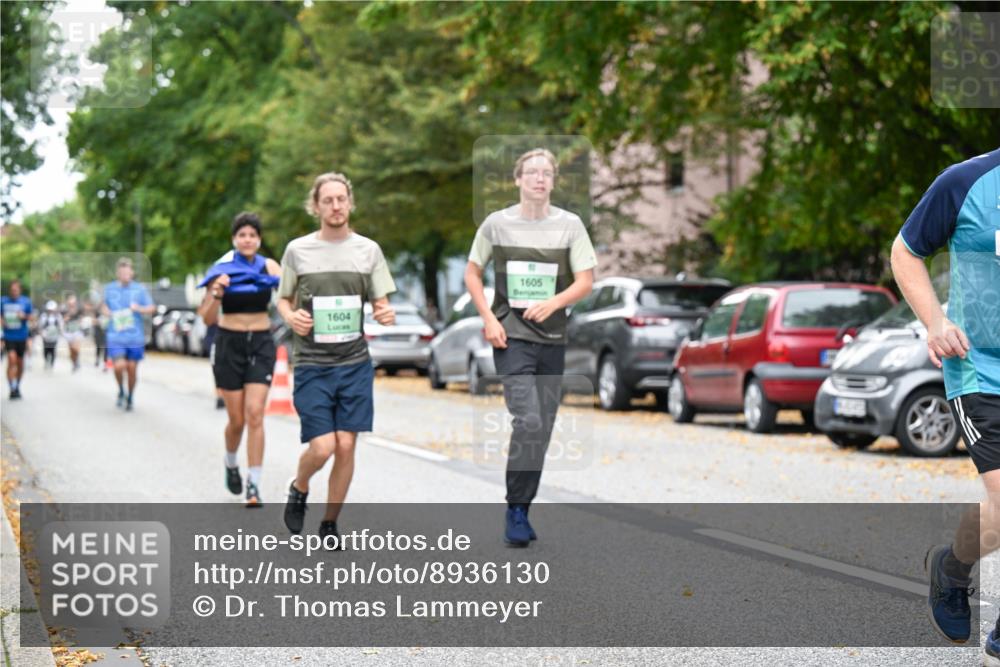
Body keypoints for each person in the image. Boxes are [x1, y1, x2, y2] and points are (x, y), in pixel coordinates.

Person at [890, 147, 1000, 656]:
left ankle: (952, 567)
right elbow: (905, 251)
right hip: (980, 369)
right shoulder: (965, 182)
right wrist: (935, 321)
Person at [464, 148, 596, 547]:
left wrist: (554, 303)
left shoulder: (569, 225)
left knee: (542, 429)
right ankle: (516, 510)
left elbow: (585, 280)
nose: (540, 178)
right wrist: (489, 318)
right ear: (517, 179)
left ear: (553, 182)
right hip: (512, 337)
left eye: (547, 173)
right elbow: (472, 272)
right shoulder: (497, 224)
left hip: (552, 340)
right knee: (530, 421)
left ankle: (522, 504)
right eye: (532, 172)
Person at [279, 172, 396, 543]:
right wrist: (290, 317)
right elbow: (283, 299)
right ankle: (299, 486)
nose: (335, 206)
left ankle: (329, 523)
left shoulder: (368, 250)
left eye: (341, 199)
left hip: (354, 364)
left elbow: (381, 302)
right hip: (312, 364)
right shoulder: (298, 250)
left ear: (350, 203)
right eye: (327, 200)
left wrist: (384, 312)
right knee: (323, 447)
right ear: (315, 207)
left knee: (346, 445)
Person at [197, 213, 281, 507]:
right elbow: (207, 318)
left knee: (255, 413)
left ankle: (253, 484)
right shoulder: (220, 270)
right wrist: (217, 292)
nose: (247, 240)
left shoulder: (270, 267)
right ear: (234, 239)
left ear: (259, 239)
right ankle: (231, 462)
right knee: (237, 420)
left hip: (261, 342)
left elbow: (288, 297)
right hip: (229, 343)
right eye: (242, 235)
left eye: (252, 235)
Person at [102, 257, 155, 411]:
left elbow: (152, 308)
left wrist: (138, 308)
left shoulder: (140, 289)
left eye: (128, 272)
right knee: (119, 366)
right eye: (122, 272)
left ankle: (130, 396)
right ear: (118, 273)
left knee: (132, 369)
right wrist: (107, 312)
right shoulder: (110, 288)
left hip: (135, 337)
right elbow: (103, 306)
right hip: (115, 335)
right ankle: (121, 390)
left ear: (132, 273)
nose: (125, 275)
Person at [1, 279, 33, 398]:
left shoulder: (26, 302)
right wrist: (2, 322)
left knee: (20, 364)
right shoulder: (3, 301)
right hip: (9, 336)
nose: (14, 292)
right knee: (11, 359)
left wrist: (24, 316)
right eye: (12, 290)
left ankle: (17, 386)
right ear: (9, 290)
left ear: (20, 290)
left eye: (16, 290)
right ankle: (12, 387)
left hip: (21, 336)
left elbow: (32, 317)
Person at [62, 295, 85, 372]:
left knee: (76, 348)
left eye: (74, 302)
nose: (72, 303)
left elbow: (82, 318)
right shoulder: (64, 310)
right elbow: (63, 320)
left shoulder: (79, 309)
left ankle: (77, 360)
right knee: (71, 350)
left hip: (77, 331)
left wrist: (80, 321)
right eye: (71, 301)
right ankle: (74, 363)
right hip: (68, 331)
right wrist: (69, 315)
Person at [38, 300, 63, 369]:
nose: (51, 311)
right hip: (46, 336)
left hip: (54, 337)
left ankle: (52, 363)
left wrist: (60, 332)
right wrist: (41, 333)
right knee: (46, 349)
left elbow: (61, 325)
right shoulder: (44, 316)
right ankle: (46, 361)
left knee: (52, 350)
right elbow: (40, 326)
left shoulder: (58, 316)